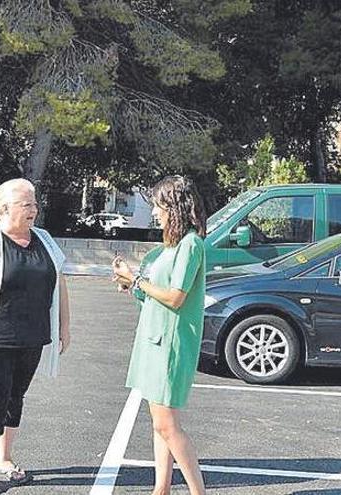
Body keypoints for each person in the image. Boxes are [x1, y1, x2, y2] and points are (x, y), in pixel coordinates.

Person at [0, 178, 71, 495]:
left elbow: (60, 284)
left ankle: (5, 458)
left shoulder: (44, 239)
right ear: (5, 208)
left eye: (34, 203)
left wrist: (65, 327)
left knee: (15, 399)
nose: (34, 209)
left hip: (32, 337)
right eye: (26, 204)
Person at [111, 175, 208, 495]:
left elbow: (176, 297)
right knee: (159, 425)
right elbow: (155, 294)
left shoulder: (191, 244)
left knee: (168, 425)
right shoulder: (171, 246)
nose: (154, 211)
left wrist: (136, 279)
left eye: (157, 205)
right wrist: (131, 285)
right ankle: (161, 489)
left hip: (171, 344)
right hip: (154, 341)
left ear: (174, 207)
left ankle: (198, 492)